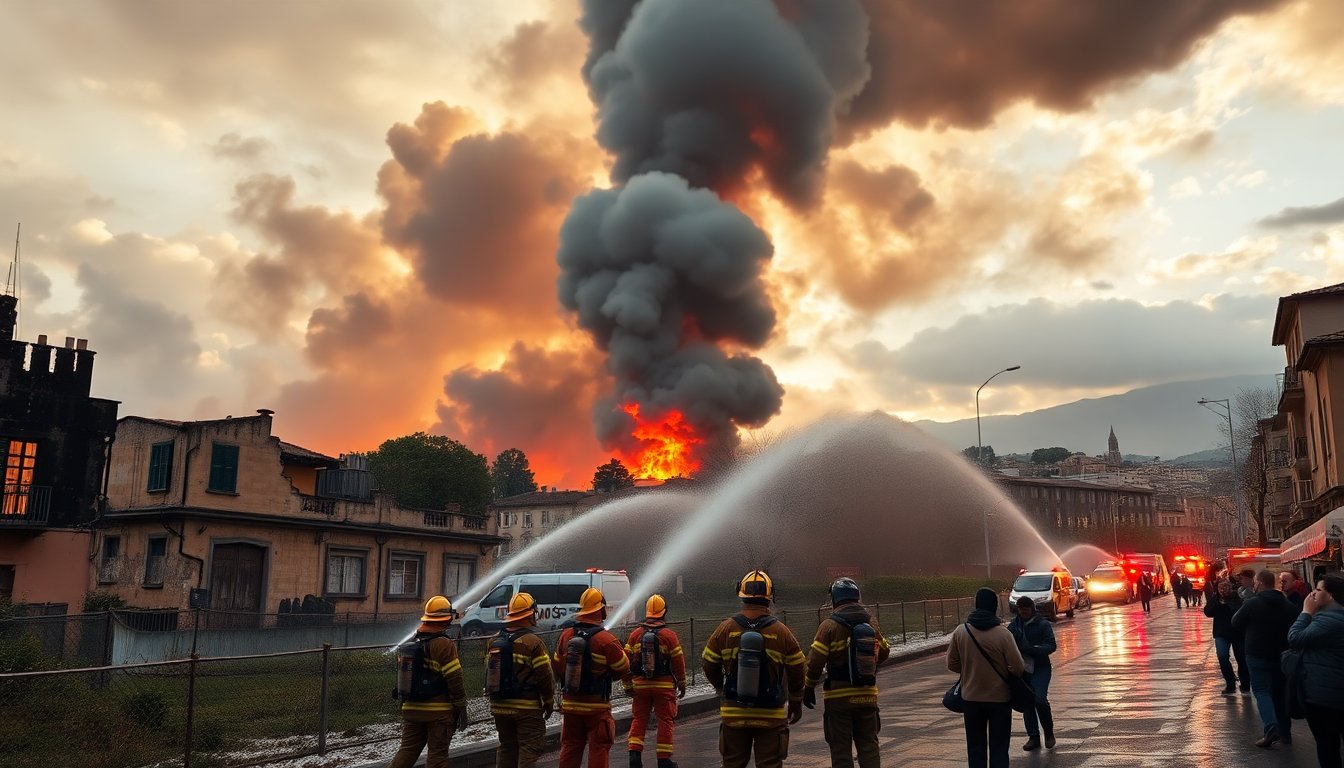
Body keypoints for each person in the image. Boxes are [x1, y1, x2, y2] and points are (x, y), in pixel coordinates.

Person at [703, 570, 806, 768]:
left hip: (734, 713)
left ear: (740, 595)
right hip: (771, 715)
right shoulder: (782, 632)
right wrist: (795, 702)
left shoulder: (725, 629)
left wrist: (720, 688)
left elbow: (709, 663)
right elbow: (798, 670)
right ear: (770, 596)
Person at [803, 577, 891, 768]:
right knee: (869, 748)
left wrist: (809, 686)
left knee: (841, 751)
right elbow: (884, 651)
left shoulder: (829, 626)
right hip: (867, 697)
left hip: (838, 699)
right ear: (857, 598)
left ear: (835, 599)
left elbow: (815, 661)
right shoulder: (871, 623)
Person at [553, 587, 630, 768]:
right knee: (599, 747)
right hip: (597, 707)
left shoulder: (566, 636)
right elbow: (622, 668)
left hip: (570, 705)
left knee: (570, 747)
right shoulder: (606, 640)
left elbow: (556, 665)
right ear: (600, 610)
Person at [947, 587, 1025, 768]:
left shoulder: (961, 631)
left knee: (975, 747)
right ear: (994, 606)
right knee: (999, 748)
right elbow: (1018, 668)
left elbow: (952, 664)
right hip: (1000, 699)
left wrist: (970, 669)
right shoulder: (1003, 634)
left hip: (971, 699)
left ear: (976, 605)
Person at [390, 596, 468, 768]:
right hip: (438, 712)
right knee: (437, 755)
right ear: (446, 618)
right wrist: (460, 706)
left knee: (407, 751)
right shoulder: (444, 644)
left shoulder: (411, 644)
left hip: (411, 709)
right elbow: (455, 678)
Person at [1232, 570, 1299, 748]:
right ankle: (1286, 733)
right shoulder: (1288, 606)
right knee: (1280, 693)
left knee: (1262, 692)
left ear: (1260, 583)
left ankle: (1271, 728)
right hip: (1282, 655)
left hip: (1256, 654)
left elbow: (1235, 622)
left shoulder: (1252, 604)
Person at [488, 592, 556, 768]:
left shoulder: (493, 641)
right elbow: (545, 676)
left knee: (506, 748)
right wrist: (549, 701)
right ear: (531, 613)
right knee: (529, 749)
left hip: (499, 706)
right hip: (526, 708)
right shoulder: (533, 642)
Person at [623, 594, 687, 768]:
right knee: (665, 721)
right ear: (664, 611)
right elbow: (678, 661)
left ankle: (634, 756)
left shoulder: (635, 634)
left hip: (640, 686)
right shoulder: (669, 636)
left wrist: (628, 685)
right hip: (664, 687)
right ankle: (664, 760)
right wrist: (681, 683)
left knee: (639, 719)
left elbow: (625, 662)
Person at [1288, 572, 1344, 768]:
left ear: (1330, 595)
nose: (1313, 593)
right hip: (1333, 691)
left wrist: (1305, 612)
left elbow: (1295, 638)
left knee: (1327, 747)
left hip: (1324, 696)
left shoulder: (1327, 621)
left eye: (1318, 590)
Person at [1007, 596, 1057, 751]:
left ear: (1032, 609)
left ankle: (1048, 733)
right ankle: (1033, 737)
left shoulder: (1042, 625)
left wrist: (1033, 649)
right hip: (1022, 670)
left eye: (1026, 609)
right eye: (1021, 609)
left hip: (1040, 668)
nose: (1023, 612)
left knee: (1040, 700)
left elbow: (1051, 645)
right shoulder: (1014, 627)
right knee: (1027, 703)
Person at [1204, 578, 1250, 696]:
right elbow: (1208, 612)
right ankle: (1230, 683)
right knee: (1222, 656)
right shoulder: (1215, 599)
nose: (1223, 591)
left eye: (1225, 588)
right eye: (1221, 588)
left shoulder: (1237, 598)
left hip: (1237, 632)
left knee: (1241, 658)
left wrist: (1227, 604)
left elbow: (1240, 612)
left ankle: (1245, 684)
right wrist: (1217, 603)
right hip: (1221, 633)